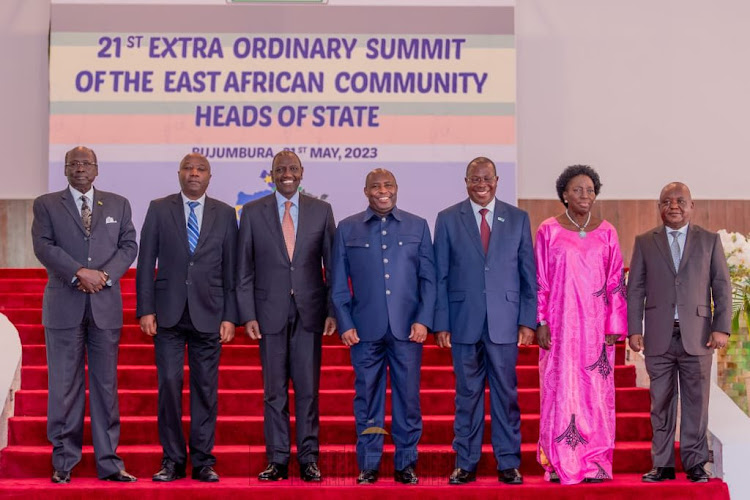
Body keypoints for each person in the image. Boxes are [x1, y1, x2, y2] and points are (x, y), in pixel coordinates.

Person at [31, 146, 138, 484]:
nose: (80, 168)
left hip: (105, 308)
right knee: (64, 386)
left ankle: (109, 462)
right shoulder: (47, 204)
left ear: (96, 169)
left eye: (86, 163)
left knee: (106, 387)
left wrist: (104, 276)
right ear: (64, 170)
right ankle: (64, 461)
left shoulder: (118, 203)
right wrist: (79, 272)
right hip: (64, 305)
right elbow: (44, 246)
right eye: (73, 163)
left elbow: (129, 245)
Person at [433, 156, 536, 485]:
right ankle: (466, 461)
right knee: (467, 395)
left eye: (487, 178)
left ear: (496, 180)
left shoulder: (518, 218)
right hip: (463, 321)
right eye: (475, 179)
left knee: (506, 395)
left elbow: (527, 275)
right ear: (466, 181)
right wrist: (442, 323)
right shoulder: (448, 218)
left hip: (505, 322)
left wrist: (527, 321)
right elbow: (440, 276)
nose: (481, 184)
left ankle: (508, 462)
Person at [136, 152, 238, 483]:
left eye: (201, 169)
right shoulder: (158, 208)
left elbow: (232, 268)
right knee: (168, 385)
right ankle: (173, 461)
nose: (194, 174)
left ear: (210, 176)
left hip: (210, 313)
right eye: (188, 168)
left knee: (205, 389)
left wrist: (230, 316)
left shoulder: (224, 213)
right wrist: (145, 309)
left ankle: (204, 460)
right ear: (179, 173)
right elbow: (146, 259)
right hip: (167, 315)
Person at [331, 168, 436, 485]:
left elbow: (429, 280)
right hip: (364, 332)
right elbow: (338, 284)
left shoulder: (418, 225)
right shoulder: (347, 228)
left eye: (387, 185)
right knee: (367, 399)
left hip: (408, 331)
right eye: (375, 186)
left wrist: (423, 320)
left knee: (408, 399)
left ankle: (406, 463)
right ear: (365, 191)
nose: (382, 190)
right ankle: (370, 464)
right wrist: (345, 323)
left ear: (397, 188)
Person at [236, 150, 336, 482]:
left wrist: (333, 310)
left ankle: (309, 458)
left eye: (293, 168)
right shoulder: (251, 212)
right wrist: (247, 313)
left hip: (310, 312)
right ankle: (277, 458)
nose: (287, 174)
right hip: (268, 313)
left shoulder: (322, 211)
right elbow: (244, 270)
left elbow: (332, 266)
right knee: (274, 391)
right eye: (281, 169)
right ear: (272, 174)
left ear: (302, 172)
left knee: (308, 390)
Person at [627, 182, 731, 483]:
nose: (673, 206)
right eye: (666, 201)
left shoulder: (709, 241)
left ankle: (696, 464)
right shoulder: (646, 241)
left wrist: (721, 327)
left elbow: (722, 287)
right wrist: (635, 329)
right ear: (659, 207)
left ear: (691, 206)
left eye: (680, 201)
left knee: (696, 404)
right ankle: (662, 465)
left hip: (698, 336)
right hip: (658, 336)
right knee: (660, 403)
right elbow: (635, 290)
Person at [534, 165, 627, 484]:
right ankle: (557, 463)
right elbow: (539, 280)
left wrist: (616, 322)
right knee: (560, 392)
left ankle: (596, 462)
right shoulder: (548, 230)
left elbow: (615, 281)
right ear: (564, 194)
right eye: (577, 190)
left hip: (595, 329)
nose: (584, 195)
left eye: (589, 190)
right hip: (559, 328)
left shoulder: (608, 232)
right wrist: (541, 320)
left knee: (595, 395)